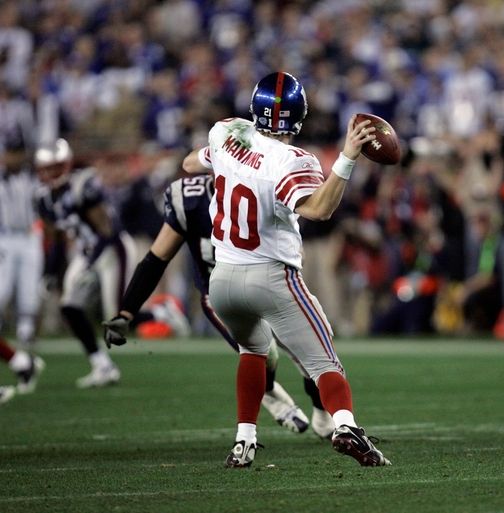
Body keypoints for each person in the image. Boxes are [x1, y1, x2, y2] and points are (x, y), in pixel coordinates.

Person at [182, 71, 390, 467]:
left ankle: (244, 440)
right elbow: (318, 209)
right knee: (324, 360)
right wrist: (347, 157)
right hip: (271, 277)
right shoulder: (293, 159)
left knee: (252, 350)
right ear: (299, 117)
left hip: (223, 279)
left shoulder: (227, 132)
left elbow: (191, 163)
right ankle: (346, 426)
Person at [103, 173, 334, 438]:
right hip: (221, 292)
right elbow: (158, 256)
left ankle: (320, 414)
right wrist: (127, 310)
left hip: (268, 282)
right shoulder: (191, 200)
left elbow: (295, 247)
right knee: (264, 353)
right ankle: (270, 397)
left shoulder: (266, 187)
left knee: (307, 348)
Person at [35, 139, 137, 388]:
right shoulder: (43, 199)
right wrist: (49, 272)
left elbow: (107, 230)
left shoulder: (82, 186)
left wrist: (92, 262)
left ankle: (161, 312)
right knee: (69, 307)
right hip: (86, 252)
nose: (51, 173)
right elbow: (57, 239)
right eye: (46, 168)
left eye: (56, 166)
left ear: (66, 164)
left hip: (112, 248)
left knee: (116, 315)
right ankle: (102, 365)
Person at [0, 136, 45, 399]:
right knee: (3, 289)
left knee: (29, 289)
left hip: (28, 236)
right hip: (6, 237)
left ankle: (24, 341)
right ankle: (21, 362)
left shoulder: (33, 178)